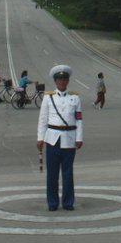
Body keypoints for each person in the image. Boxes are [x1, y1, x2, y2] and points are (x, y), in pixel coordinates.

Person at [37, 65, 83, 211]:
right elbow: (43, 120)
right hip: (52, 139)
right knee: (52, 174)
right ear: (55, 81)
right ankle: (52, 202)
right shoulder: (48, 97)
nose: (62, 82)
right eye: (59, 80)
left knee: (68, 173)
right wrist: (40, 138)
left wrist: (79, 137)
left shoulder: (75, 98)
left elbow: (79, 119)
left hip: (69, 139)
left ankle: (68, 202)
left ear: (68, 81)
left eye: (64, 79)